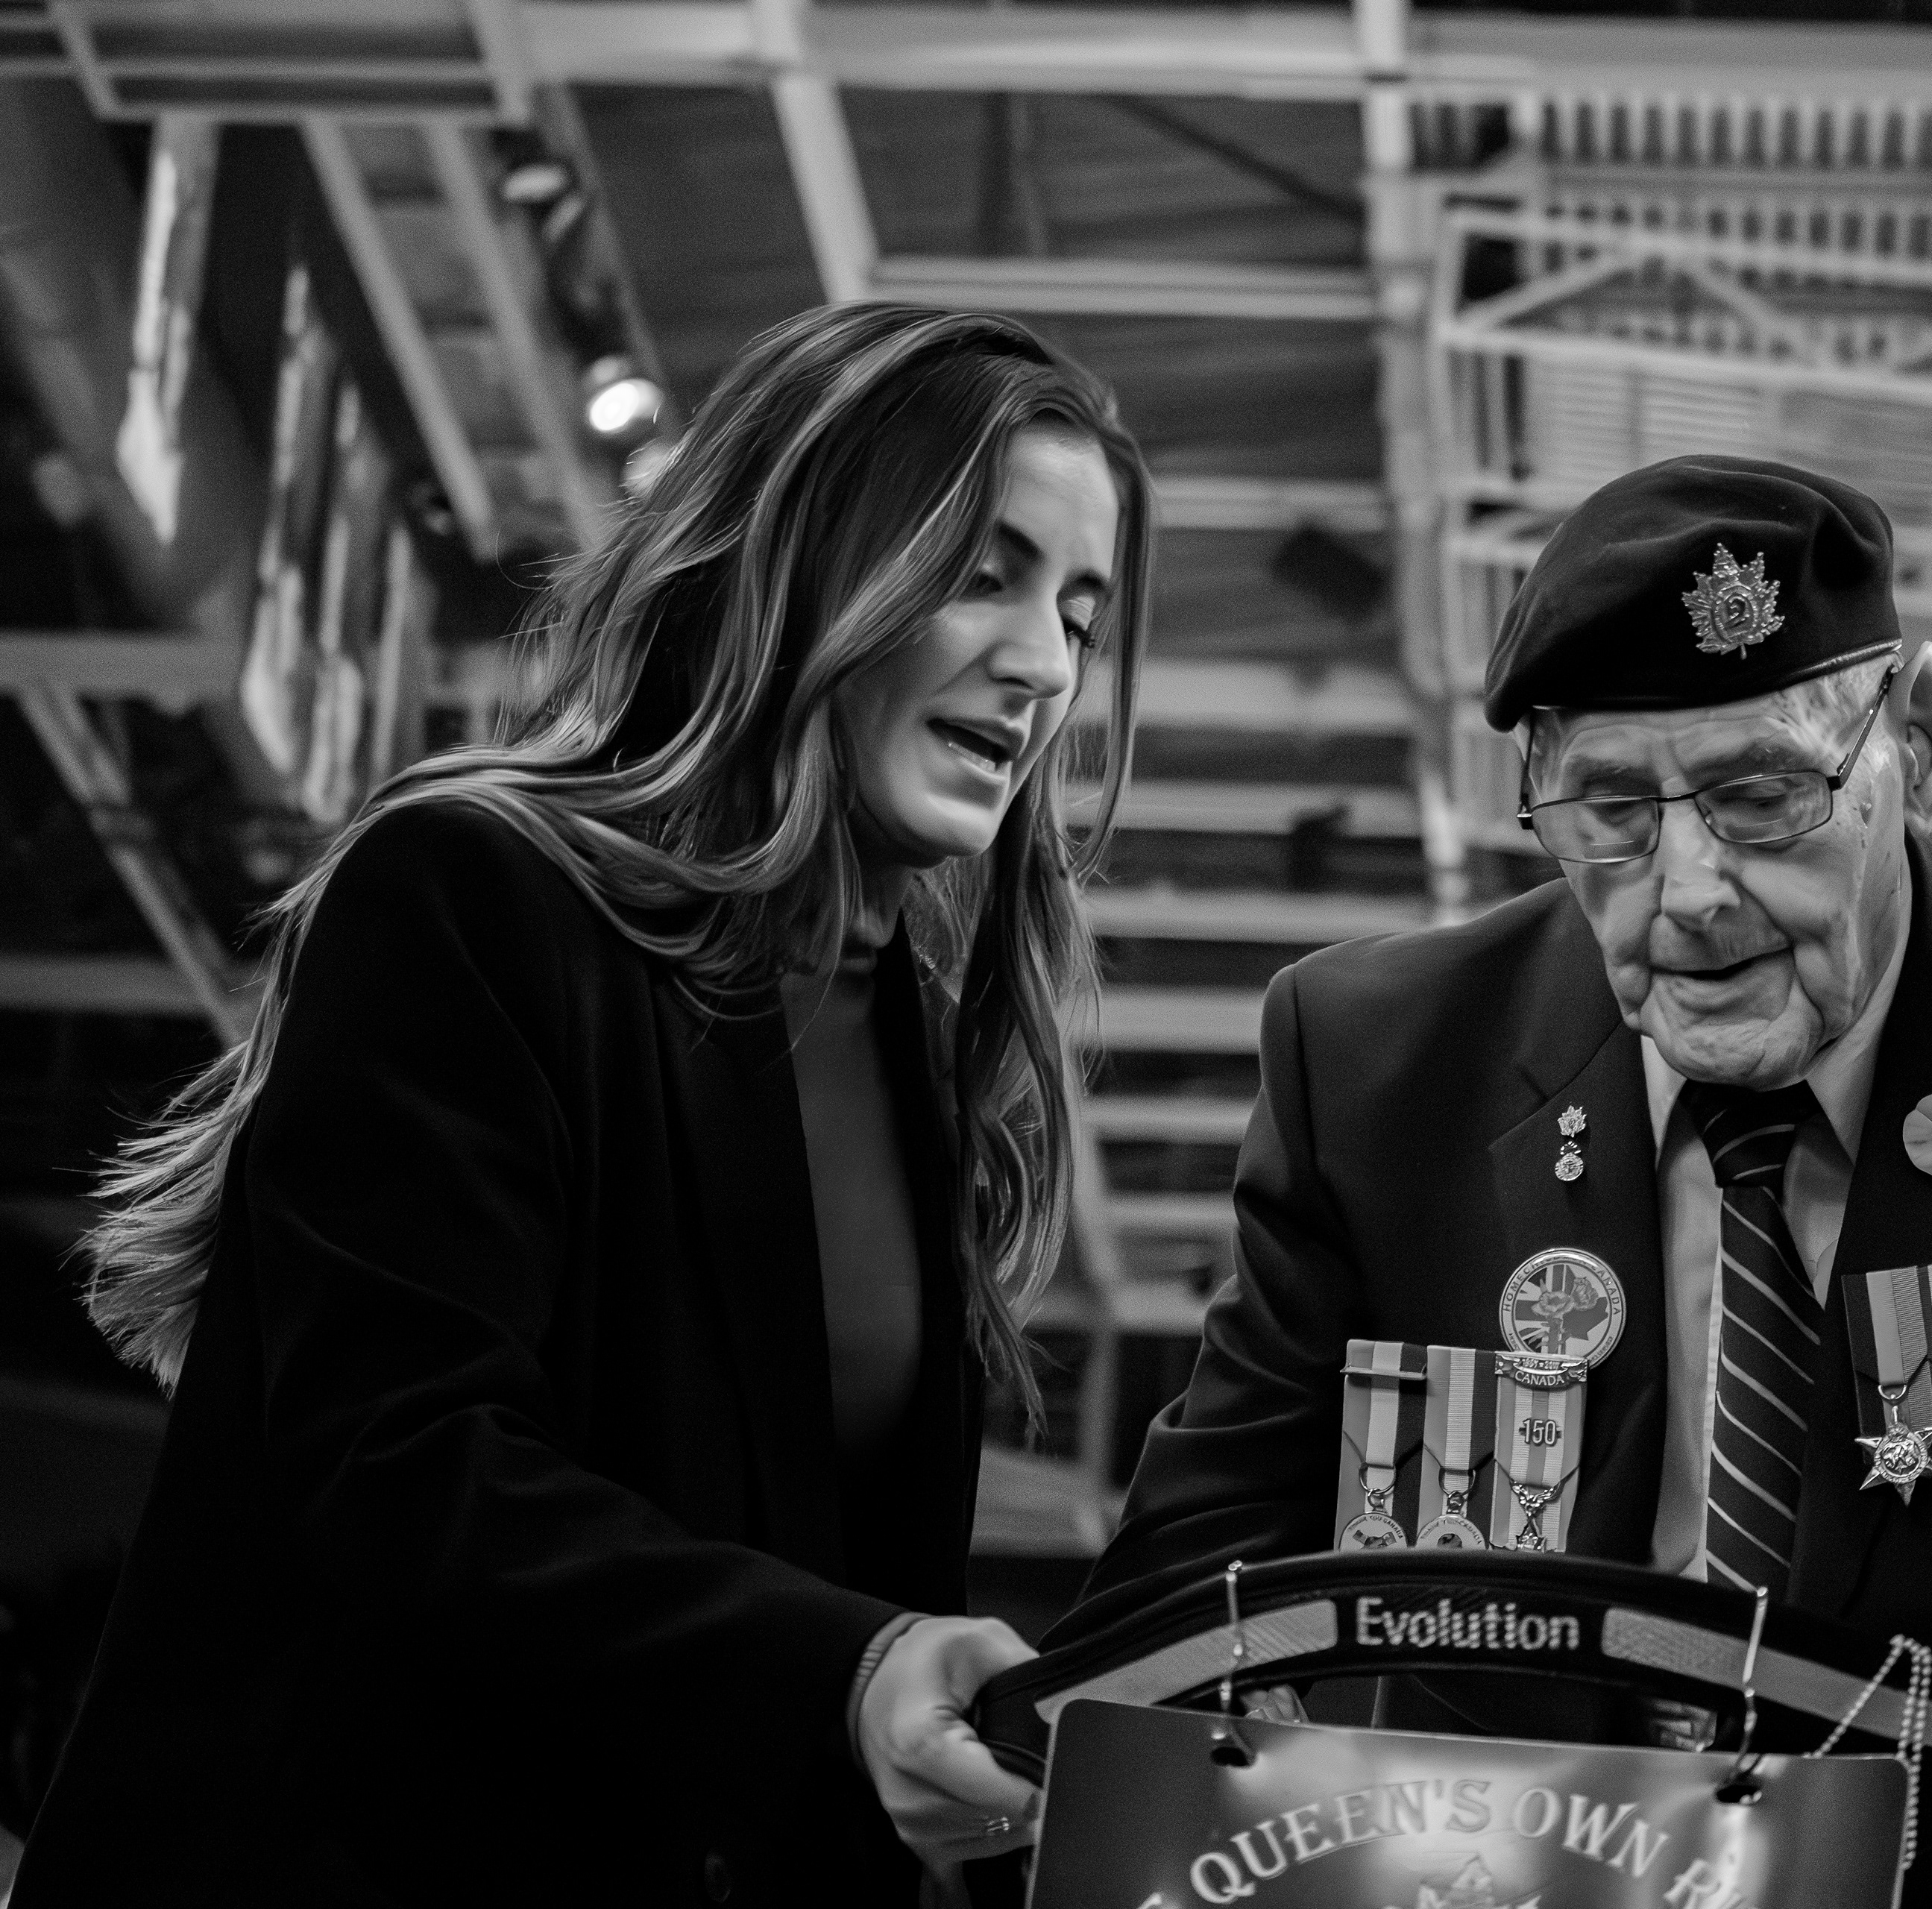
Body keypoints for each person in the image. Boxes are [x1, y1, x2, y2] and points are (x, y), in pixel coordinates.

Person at [1050, 453, 1932, 1902]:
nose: (1693, 892)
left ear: (1919, 739)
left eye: (1764, 794)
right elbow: (1193, 1572)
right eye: (1611, 813)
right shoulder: (1379, 1065)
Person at [13, 304, 1154, 1905]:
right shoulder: (476, 888)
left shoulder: (926, 1052)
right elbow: (403, 1464)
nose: (1043, 665)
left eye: (1081, 618)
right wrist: (847, 1670)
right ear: (799, 566)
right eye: (983, 574)